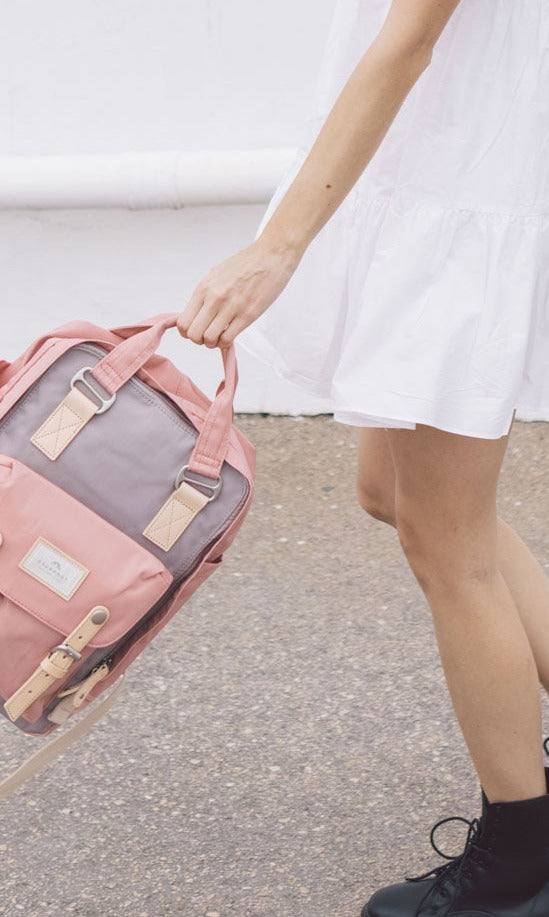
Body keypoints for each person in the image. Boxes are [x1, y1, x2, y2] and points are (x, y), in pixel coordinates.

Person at [178, 1, 549, 914]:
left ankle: (519, 862)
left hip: (456, 209)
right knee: (388, 490)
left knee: (446, 544)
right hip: (429, 186)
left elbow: (408, 41)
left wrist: (278, 246)